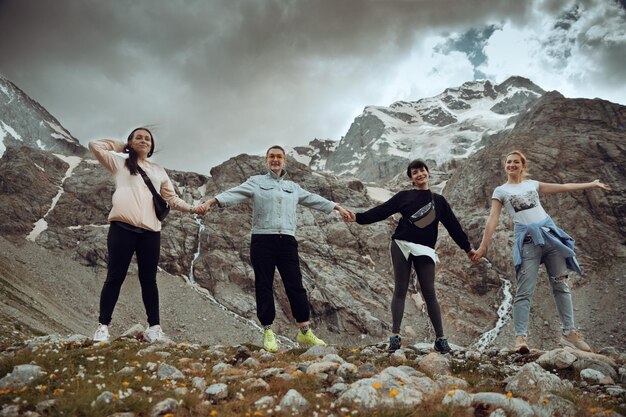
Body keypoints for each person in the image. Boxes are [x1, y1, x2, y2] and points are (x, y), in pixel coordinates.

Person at [196, 145, 352, 352]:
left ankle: (304, 331)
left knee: (295, 284)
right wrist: (212, 202)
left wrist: (337, 207)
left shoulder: (293, 187)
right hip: (262, 240)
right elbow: (235, 193)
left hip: (287, 240)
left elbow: (314, 199)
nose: (275, 160)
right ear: (266, 160)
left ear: (284, 160)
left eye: (279, 156)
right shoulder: (256, 182)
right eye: (272, 156)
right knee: (264, 285)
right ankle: (268, 331)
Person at [472, 150, 611, 354]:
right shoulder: (500, 191)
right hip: (528, 242)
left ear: (523, 165)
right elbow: (492, 218)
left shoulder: (533, 184)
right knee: (524, 290)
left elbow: (564, 187)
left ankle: (569, 331)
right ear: (505, 166)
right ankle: (520, 338)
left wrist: (592, 184)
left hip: (551, 239)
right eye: (508, 162)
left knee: (561, 285)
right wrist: (484, 245)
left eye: (515, 162)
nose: (511, 165)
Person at [346, 159, 475, 353]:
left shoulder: (439, 201)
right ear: (411, 178)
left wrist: (467, 248)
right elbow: (382, 211)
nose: (420, 174)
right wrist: (358, 217)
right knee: (400, 289)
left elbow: (453, 226)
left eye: (422, 170)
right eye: (415, 172)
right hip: (402, 245)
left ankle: (440, 339)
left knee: (429, 292)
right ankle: (395, 336)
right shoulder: (404, 196)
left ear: (428, 173)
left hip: (425, 250)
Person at [89, 127, 199, 344]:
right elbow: (94, 146)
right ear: (130, 141)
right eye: (138, 137)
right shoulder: (119, 163)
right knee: (115, 277)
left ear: (152, 146)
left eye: (147, 139)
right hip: (122, 227)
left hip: (150, 232)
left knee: (149, 280)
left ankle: (155, 328)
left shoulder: (159, 171)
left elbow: (172, 199)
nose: (143, 140)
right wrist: (122, 146)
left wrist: (193, 209)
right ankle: (102, 327)